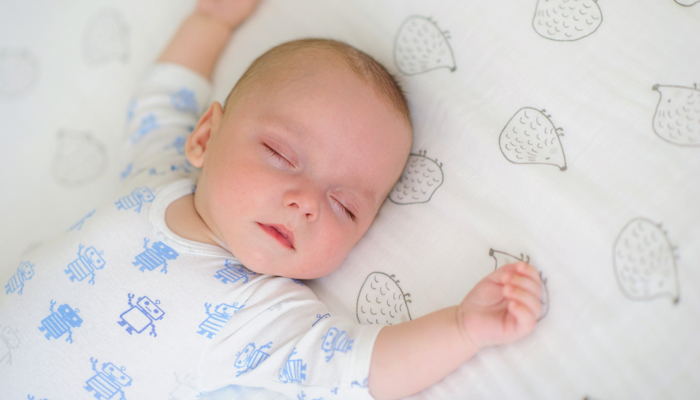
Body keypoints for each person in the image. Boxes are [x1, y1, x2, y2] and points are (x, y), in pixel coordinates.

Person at [0, 1, 543, 399]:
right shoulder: (160, 172)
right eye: (282, 155)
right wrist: (209, 22)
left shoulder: (262, 316)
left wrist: (460, 329)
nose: (305, 202)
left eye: (344, 206)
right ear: (206, 139)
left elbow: (360, 369)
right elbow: (165, 96)